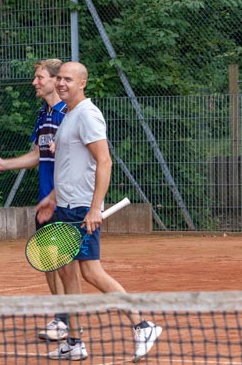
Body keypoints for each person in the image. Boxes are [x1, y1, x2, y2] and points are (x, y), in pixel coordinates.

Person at [35, 61, 162, 362]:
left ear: (82, 83)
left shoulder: (88, 114)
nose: (62, 83)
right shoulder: (68, 116)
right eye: (60, 79)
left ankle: (143, 325)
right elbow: (70, 166)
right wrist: (53, 197)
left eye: (68, 79)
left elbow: (103, 161)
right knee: (68, 274)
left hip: (81, 208)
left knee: (91, 271)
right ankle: (75, 342)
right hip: (65, 207)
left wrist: (94, 208)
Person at [0, 58, 79, 342]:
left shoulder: (71, 113)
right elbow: (37, 155)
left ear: (54, 80)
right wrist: (4, 164)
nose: (34, 82)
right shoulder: (43, 115)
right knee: (49, 260)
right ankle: (61, 318)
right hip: (45, 199)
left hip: (66, 199)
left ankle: (68, 321)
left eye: (39, 77)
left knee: (68, 264)